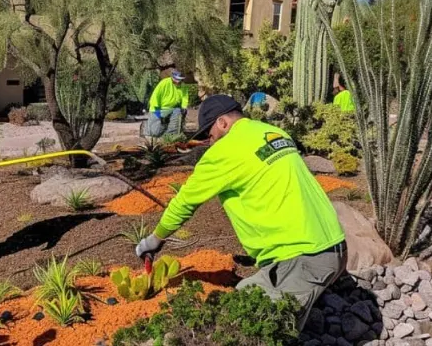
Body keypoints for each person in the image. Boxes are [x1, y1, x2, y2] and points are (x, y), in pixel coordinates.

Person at [135, 95, 346, 331]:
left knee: (243, 326)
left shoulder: (224, 151)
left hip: (303, 257)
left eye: (208, 134)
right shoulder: (272, 132)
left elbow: (184, 203)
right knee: (246, 295)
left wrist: (155, 239)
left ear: (223, 122)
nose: (209, 141)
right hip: (333, 244)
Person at [146, 70, 189, 137]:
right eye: (177, 79)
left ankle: (171, 135)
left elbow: (185, 98)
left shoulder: (183, 86)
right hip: (159, 109)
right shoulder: (164, 83)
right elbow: (155, 97)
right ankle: (147, 127)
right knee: (154, 133)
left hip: (173, 109)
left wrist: (184, 107)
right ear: (172, 77)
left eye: (180, 80)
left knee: (178, 112)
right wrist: (158, 113)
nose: (178, 82)